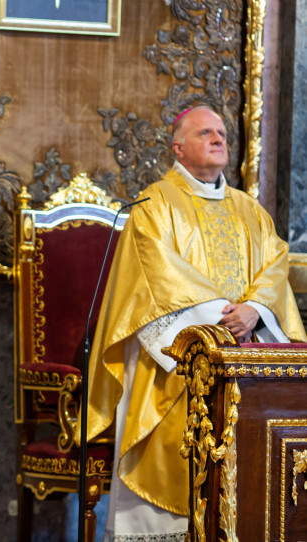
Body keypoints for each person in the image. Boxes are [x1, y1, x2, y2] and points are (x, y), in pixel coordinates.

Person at [86, 105, 306, 541]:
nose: (219, 138)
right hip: (176, 362)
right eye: (205, 132)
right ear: (178, 147)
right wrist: (224, 316)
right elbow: (155, 273)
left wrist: (255, 309)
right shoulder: (153, 206)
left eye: (221, 132)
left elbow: (275, 261)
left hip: (246, 360)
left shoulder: (250, 210)